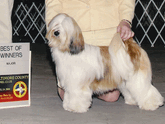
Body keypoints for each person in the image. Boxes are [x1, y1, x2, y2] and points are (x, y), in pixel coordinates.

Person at [45, 0, 135, 102]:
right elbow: (53, 2)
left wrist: (125, 20)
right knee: (70, 95)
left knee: (111, 97)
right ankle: (86, 87)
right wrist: (53, 24)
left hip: (107, 33)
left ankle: (89, 87)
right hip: (73, 34)